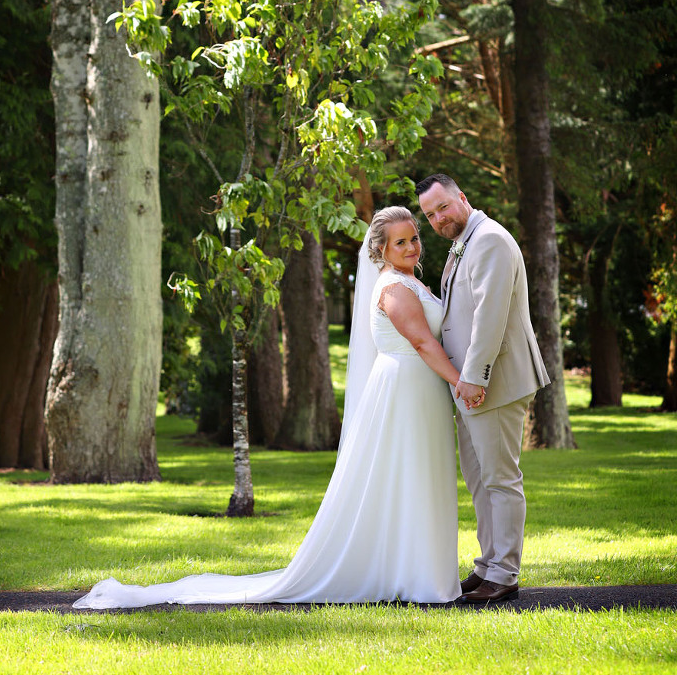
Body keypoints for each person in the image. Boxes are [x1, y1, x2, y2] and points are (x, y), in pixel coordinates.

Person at [73, 206, 462, 610]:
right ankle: (417, 579)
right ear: (381, 249)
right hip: (403, 391)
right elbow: (421, 343)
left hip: (418, 391)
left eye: (414, 238)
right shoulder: (395, 288)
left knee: (419, 476)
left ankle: (418, 572)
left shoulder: (410, 282)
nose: (412, 246)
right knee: (411, 475)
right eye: (401, 241)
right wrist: (461, 381)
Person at [415, 173, 551, 605]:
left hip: (495, 382)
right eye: (430, 215)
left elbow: (489, 317)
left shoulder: (489, 239)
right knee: (479, 480)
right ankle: (488, 565)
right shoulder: (464, 243)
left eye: (443, 207)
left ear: (463, 199)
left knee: (500, 478)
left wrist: (473, 378)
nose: (438, 219)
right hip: (470, 386)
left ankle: (506, 574)